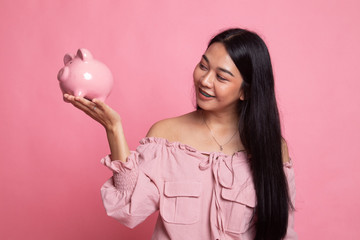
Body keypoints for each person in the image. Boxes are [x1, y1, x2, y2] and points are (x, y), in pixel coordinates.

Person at [64, 28, 297, 240]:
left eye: (221, 77)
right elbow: (129, 208)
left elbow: (281, 232)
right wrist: (114, 129)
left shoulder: (271, 148)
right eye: (203, 66)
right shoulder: (166, 135)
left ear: (246, 91)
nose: (205, 81)